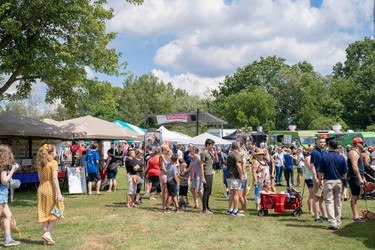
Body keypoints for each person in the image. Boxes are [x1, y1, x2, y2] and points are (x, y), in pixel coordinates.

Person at [36, 144, 64, 246]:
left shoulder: (40, 163)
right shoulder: (53, 163)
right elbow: (54, 179)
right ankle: (47, 234)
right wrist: (59, 193)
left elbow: (39, 179)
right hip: (50, 188)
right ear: (52, 153)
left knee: (45, 214)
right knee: (58, 211)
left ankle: (45, 241)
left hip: (41, 188)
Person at [317, 140, 348, 230]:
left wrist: (319, 181)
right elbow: (345, 173)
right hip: (338, 181)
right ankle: (338, 221)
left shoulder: (325, 157)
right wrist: (344, 182)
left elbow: (321, 172)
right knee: (338, 203)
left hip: (328, 181)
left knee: (329, 202)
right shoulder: (341, 157)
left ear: (329, 146)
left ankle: (332, 223)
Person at [0, 145, 21, 247]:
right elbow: (4, 181)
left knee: (7, 215)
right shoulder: (4, 165)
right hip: (0, 194)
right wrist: (12, 170)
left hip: (2, 195)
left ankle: (8, 238)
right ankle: (7, 239)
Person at [347, 137, 366, 222]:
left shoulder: (358, 152)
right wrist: (359, 178)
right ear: (357, 143)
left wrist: (363, 177)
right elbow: (355, 166)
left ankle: (357, 215)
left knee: (357, 196)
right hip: (354, 177)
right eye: (361, 143)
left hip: (358, 177)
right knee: (354, 196)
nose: (363, 144)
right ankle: (355, 216)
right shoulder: (353, 152)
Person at [310, 136, 328, 223]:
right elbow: (312, 165)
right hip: (317, 175)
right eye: (320, 142)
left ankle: (324, 215)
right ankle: (317, 216)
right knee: (316, 196)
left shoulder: (325, 152)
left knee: (323, 197)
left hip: (325, 176)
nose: (322, 143)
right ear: (317, 142)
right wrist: (315, 176)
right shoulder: (314, 152)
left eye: (323, 142)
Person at [226, 141, 245, 217]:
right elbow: (238, 165)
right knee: (236, 193)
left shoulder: (229, 154)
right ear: (238, 147)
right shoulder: (237, 154)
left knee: (232, 193)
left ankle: (230, 209)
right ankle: (235, 210)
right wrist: (241, 175)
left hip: (229, 175)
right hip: (235, 176)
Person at [200, 139, 218, 214]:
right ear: (208, 145)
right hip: (206, 173)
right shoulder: (204, 153)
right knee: (206, 191)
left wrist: (215, 152)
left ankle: (207, 206)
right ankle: (204, 208)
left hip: (210, 172)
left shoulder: (210, 153)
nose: (212, 146)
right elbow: (201, 164)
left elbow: (216, 160)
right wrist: (203, 177)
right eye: (212, 145)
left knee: (209, 191)